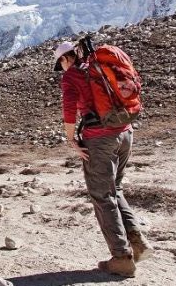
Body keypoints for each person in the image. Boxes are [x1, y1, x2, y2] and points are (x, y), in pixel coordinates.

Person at [54, 41, 152, 278]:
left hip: (100, 139)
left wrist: (71, 140)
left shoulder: (72, 76)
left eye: (61, 64)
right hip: (125, 132)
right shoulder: (98, 67)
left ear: (66, 59)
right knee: (115, 189)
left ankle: (121, 258)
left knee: (102, 195)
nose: (63, 69)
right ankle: (137, 242)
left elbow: (69, 109)